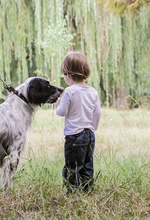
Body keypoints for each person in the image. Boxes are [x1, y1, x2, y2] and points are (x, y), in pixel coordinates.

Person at [56, 51, 101, 193]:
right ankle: (86, 190)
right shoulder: (93, 91)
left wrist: (58, 105)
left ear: (68, 74)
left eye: (64, 75)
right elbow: (97, 112)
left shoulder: (70, 91)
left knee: (72, 166)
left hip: (74, 135)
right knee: (87, 164)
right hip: (89, 134)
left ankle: (73, 192)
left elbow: (62, 112)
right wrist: (92, 127)